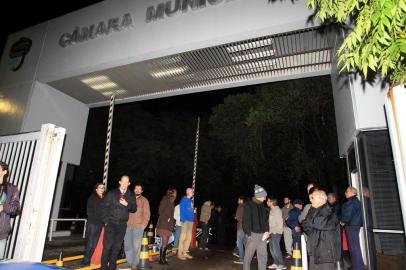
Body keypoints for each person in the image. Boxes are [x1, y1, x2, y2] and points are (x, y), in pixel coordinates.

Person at [101, 175, 136, 270]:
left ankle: (112, 268)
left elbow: (134, 209)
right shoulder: (112, 193)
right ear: (120, 182)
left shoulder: (131, 195)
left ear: (129, 184)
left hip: (122, 225)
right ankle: (103, 268)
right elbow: (104, 207)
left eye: (127, 182)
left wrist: (127, 204)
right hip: (111, 223)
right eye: (123, 181)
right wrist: (106, 222)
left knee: (116, 248)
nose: (124, 184)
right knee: (107, 247)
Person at [302, 190, 341, 270]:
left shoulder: (329, 210)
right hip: (314, 250)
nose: (310, 200)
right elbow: (306, 226)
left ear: (321, 199)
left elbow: (319, 223)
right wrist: (311, 213)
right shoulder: (313, 210)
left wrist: (309, 221)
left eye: (312, 198)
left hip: (326, 253)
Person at [242, 185, 269, 270]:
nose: (265, 198)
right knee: (248, 257)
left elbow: (265, 220)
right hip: (253, 235)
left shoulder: (262, 206)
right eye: (264, 196)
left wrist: (267, 231)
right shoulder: (249, 205)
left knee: (263, 256)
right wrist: (249, 234)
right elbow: (246, 221)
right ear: (259, 196)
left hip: (263, 235)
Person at [124, 184, 150, 270]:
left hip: (138, 227)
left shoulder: (144, 200)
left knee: (136, 246)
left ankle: (134, 263)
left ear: (142, 191)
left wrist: (143, 225)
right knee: (127, 245)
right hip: (127, 226)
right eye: (136, 188)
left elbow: (147, 214)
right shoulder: (128, 198)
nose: (137, 190)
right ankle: (129, 262)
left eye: (139, 189)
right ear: (134, 189)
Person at [0, 161, 20, 260]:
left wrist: (4, 207)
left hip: (1, 233)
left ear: (4, 172)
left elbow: (16, 209)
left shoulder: (11, 189)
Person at [341, 187, 364, 270]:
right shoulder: (355, 201)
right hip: (354, 225)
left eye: (347, 191)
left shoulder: (351, 202)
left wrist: (342, 221)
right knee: (355, 247)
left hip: (351, 226)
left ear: (352, 192)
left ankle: (358, 267)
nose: (345, 193)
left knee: (354, 248)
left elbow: (347, 216)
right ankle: (358, 266)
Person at [83, 183, 105, 266]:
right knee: (90, 243)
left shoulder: (104, 199)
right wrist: (99, 218)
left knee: (94, 244)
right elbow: (89, 212)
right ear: (96, 189)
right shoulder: (92, 198)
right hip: (92, 224)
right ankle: (85, 261)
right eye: (100, 188)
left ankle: (89, 260)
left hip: (100, 224)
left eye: (103, 188)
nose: (102, 189)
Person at [156, 188, 177, 265]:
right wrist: (167, 218)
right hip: (164, 224)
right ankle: (161, 260)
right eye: (174, 193)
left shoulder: (172, 202)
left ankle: (163, 258)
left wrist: (173, 221)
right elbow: (160, 211)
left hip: (169, 225)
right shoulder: (165, 199)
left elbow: (172, 214)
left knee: (166, 241)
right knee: (164, 241)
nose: (175, 195)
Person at [267, 197, 286, 270]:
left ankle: (281, 264)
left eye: (268, 201)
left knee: (276, 248)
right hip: (271, 232)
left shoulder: (277, 210)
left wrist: (274, 231)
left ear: (272, 202)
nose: (267, 202)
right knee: (271, 249)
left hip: (276, 232)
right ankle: (276, 263)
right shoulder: (271, 210)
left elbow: (280, 223)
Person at [177, 187, 195, 260]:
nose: (193, 193)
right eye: (192, 192)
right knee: (183, 237)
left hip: (190, 221)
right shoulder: (184, 200)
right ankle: (179, 253)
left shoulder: (190, 201)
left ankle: (185, 252)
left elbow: (189, 210)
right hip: (185, 221)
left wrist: (193, 212)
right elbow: (182, 210)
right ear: (188, 192)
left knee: (188, 237)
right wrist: (183, 219)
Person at [233, 196, 245, 264]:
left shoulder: (240, 206)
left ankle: (241, 259)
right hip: (245, 228)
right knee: (245, 243)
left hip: (240, 227)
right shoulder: (246, 207)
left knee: (239, 243)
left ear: (241, 200)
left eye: (238, 200)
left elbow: (238, 217)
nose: (237, 201)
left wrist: (236, 217)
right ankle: (247, 258)